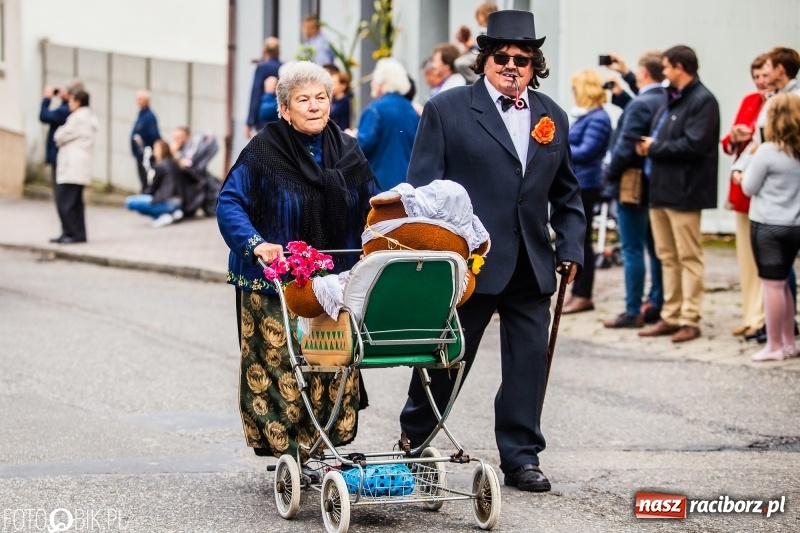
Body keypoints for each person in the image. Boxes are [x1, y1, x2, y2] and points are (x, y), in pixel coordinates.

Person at [399, 10, 584, 492]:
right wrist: (434, 252)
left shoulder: (552, 116)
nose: (511, 65)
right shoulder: (448, 110)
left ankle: (522, 456)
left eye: (522, 59)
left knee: (528, 363)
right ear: (484, 60)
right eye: (501, 56)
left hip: (532, 262)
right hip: (469, 262)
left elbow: (566, 194)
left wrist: (572, 247)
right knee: (446, 357)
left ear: (534, 65)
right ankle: (415, 437)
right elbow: (423, 189)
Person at [216, 62, 381, 461]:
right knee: (282, 364)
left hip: (333, 280)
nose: (313, 106)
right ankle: (289, 448)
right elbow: (230, 202)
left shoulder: (348, 151)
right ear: (285, 110)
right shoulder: (263, 150)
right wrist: (256, 244)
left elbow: (374, 203)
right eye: (302, 100)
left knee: (330, 358)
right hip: (275, 281)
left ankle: (325, 443)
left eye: (321, 98)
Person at [636, 45, 720, 343]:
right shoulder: (673, 98)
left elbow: (695, 144)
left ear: (681, 67)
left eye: (668, 67)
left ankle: (690, 318)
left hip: (685, 193)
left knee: (688, 257)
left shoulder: (702, 100)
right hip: (661, 190)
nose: (665, 73)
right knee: (667, 257)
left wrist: (653, 147)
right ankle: (671, 315)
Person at [602, 51, 667, 328]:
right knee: (656, 248)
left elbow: (626, 144)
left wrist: (609, 175)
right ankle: (657, 301)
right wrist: (624, 85)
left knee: (632, 249)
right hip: (657, 183)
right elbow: (641, 109)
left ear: (644, 72)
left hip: (632, 183)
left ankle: (632, 310)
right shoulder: (665, 97)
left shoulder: (641, 103)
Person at [741, 92, 800, 361]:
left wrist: (746, 166)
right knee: (786, 284)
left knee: (773, 286)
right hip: (795, 223)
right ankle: (790, 342)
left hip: (768, 225)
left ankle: (774, 344)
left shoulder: (767, 151)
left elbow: (749, 187)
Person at [721, 54, 772, 338]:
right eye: (756, 78)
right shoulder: (749, 101)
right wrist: (735, 137)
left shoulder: (780, 104)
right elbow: (728, 144)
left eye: (764, 76)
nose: (760, 82)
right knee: (746, 258)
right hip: (743, 187)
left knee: (767, 257)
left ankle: (765, 317)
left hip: (767, 191)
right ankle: (751, 314)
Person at [561, 70, 612, 314]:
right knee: (579, 240)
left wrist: (559, 145)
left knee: (583, 242)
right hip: (581, 182)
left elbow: (588, 151)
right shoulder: (586, 117)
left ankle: (583, 293)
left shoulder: (598, 118)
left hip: (587, 184)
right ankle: (578, 292)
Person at [350, 58, 419, 190]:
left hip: (379, 184)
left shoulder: (375, 109)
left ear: (383, 83)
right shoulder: (411, 110)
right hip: (408, 185)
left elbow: (361, 147)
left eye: (374, 80)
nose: (372, 84)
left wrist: (351, 138)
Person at [51, 90, 98, 244]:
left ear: (78, 102)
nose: (69, 104)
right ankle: (75, 233)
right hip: (77, 167)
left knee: (65, 202)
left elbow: (59, 135)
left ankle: (71, 234)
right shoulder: (86, 117)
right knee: (75, 203)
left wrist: (59, 134)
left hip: (72, 167)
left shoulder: (78, 118)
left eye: (71, 101)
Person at [124, 140, 185, 228]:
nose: (154, 151)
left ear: (161, 150)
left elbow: (151, 186)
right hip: (179, 202)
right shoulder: (173, 163)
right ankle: (172, 213)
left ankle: (162, 215)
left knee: (129, 202)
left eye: (156, 148)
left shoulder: (160, 166)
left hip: (167, 201)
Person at [39, 81, 82, 187]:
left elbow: (43, 116)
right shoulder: (74, 110)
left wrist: (47, 98)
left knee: (60, 190)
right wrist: (62, 98)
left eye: (65, 91)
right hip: (65, 156)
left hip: (60, 155)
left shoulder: (66, 110)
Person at [246, 37, 282, 138]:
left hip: (262, 119)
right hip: (278, 118)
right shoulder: (282, 67)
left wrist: (249, 121)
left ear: (263, 51)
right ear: (279, 52)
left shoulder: (262, 67)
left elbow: (255, 94)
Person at [130, 90, 161, 193]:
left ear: (147, 100)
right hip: (139, 154)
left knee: (146, 181)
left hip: (146, 155)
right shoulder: (141, 113)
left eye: (140, 99)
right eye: (137, 99)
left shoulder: (150, 116)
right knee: (142, 180)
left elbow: (155, 135)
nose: (138, 102)